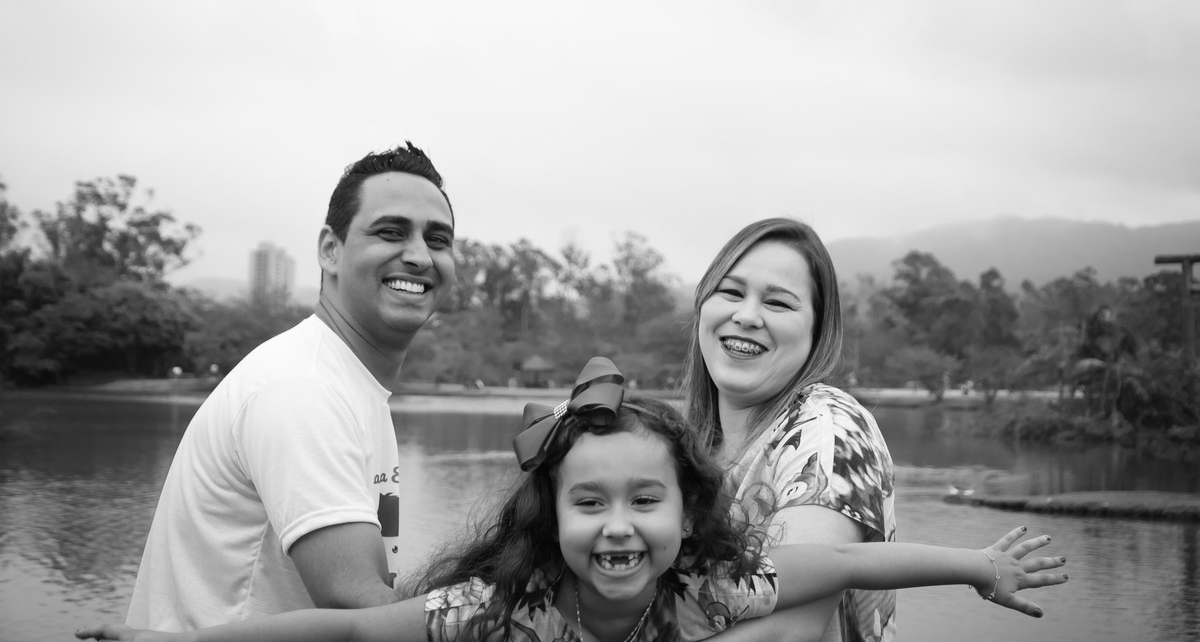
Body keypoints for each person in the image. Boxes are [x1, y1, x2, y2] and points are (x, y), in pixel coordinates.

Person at [80, 359, 1068, 642]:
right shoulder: (497, 613)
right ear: (550, 520)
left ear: (688, 516)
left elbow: (848, 560)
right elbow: (351, 631)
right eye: (588, 500)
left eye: (647, 498)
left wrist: (978, 564)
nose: (619, 522)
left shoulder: (710, 590)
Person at [124, 142, 457, 631]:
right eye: (391, 232)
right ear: (330, 249)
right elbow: (362, 608)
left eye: (438, 239)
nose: (418, 256)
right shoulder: (303, 390)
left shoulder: (340, 380)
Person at [681, 218, 897, 642]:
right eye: (731, 292)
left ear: (817, 331)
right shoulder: (690, 446)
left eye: (778, 303)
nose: (746, 316)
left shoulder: (828, 431)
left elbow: (791, 631)